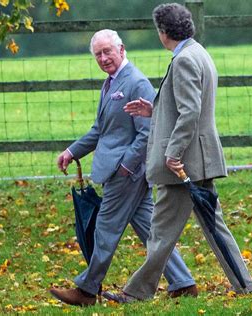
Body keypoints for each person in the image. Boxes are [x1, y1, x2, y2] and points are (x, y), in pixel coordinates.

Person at [106, 3, 252, 303]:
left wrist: (173, 154)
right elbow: (188, 108)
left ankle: (136, 293)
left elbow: (190, 113)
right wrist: (155, 110)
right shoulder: (199, 53)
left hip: (183, 165)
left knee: (161, 232)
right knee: (210, 227)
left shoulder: (184, 60)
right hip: (200, 160)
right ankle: (246, 286)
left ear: (163, 33)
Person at [49, 29, 197, 306]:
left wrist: (126, 167)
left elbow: (147, 132)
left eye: (107, 51)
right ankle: (183, 282)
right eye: (98, 54)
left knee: (105, 228)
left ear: (122, 49)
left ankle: (87, 289)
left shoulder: (136, 82)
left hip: (127, 174)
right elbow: (100, 130)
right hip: (124, 173)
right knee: (151, 231)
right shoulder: (110, 83)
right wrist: (71, 151)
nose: (103, 58)